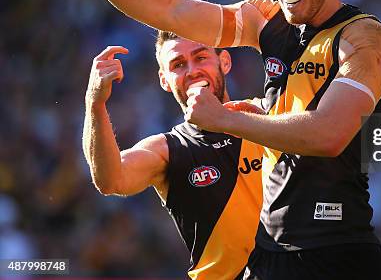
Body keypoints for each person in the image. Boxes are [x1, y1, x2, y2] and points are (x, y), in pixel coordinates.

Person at [49, 0, 381, 279]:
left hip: (336, 248)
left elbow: (330, 135)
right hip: (272, 251)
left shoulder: (364, 38)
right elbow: (172, 10)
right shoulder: (266, 20)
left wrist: (225, 121)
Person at [83, 31, 272, 280]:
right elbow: (110, 180)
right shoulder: (168, 150)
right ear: (164, 79)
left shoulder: (268, 113)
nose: (192, 71)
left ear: (224, 62)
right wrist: (95, 104)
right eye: (178, 65)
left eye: (201, 57)